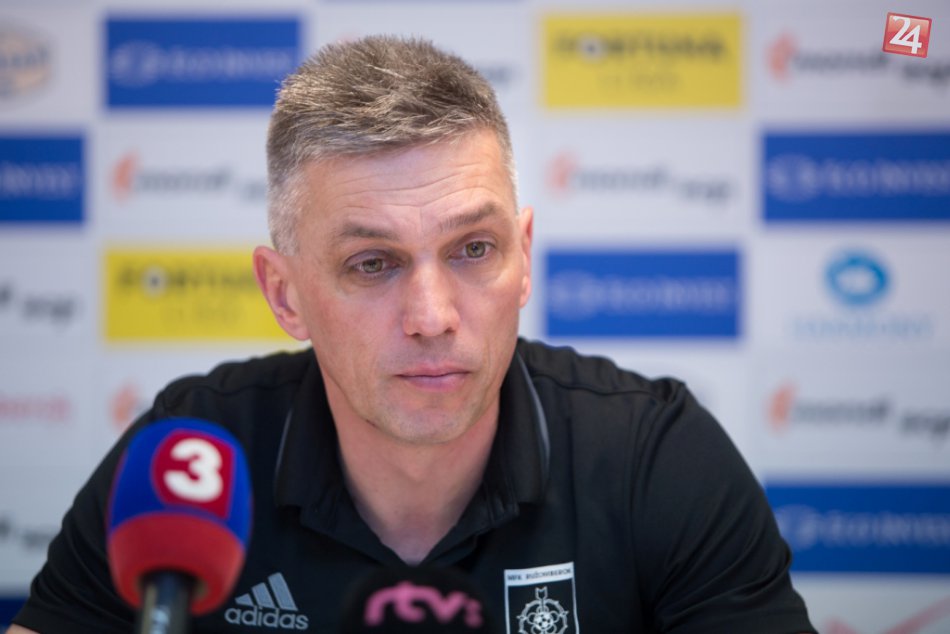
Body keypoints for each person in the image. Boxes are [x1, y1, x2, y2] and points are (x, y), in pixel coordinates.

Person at [10, 35, 815, 633]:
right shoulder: (193, 460)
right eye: (373, 263)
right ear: (285, 294)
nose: (432, 316)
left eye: (474, 250)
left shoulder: (655, 457)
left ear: (524, 259)